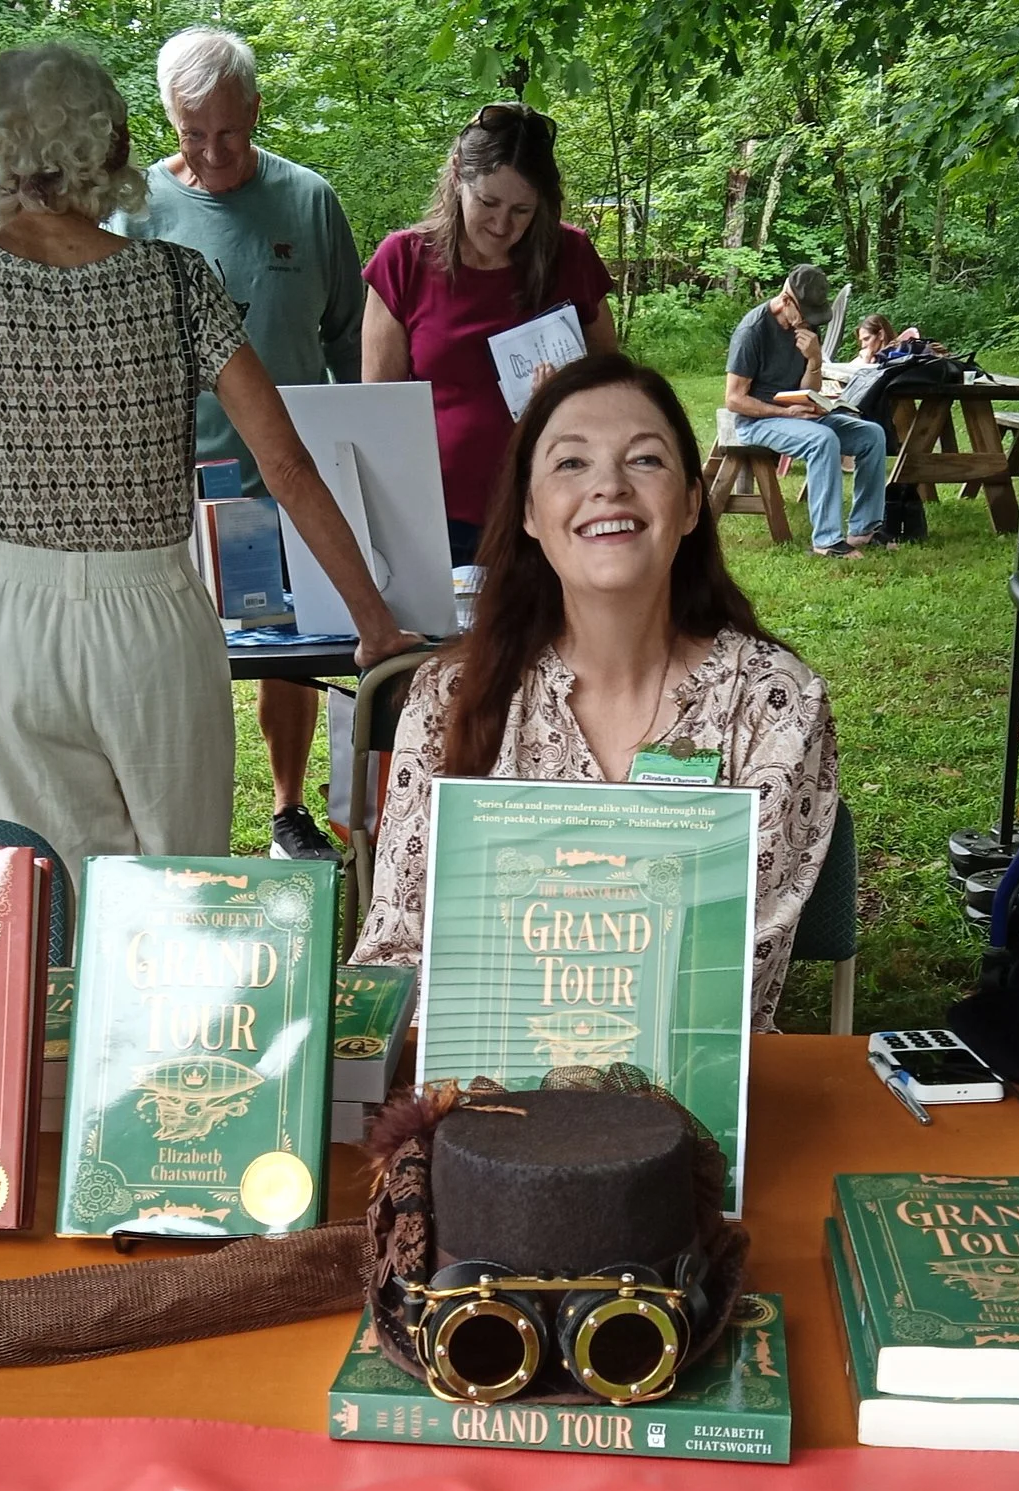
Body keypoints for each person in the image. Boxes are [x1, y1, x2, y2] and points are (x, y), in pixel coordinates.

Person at [0, 43, 410, 871]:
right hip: (151, 614)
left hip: (9, 619)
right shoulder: (180, 281)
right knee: (180, 887)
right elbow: (287, 464)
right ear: (115, 150)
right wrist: (373, 621)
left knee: (59, 892)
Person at [352, 353, 839, 1029]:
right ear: (528, 510)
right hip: (474, 1109)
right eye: (571, 463)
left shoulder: (773, 702)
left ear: (693, 503)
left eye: (645, 460)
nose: (609, 485)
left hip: (687, 1108)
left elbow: (732, 973)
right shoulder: (449, 697)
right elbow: (395, 952)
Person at [111, 27, 367, 865]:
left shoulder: (309, 200)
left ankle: (289, 809)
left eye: (229, 130)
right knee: (176, 661)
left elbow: (350, 340)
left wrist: (359, 454)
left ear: (256, 110)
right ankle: (178, 828)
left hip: (288, 478)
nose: (214, 151)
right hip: (172, 482)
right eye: (192, 134)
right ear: (168, 121)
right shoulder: (133, 209)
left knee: (289, 655)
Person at [361, 104, 620, 568]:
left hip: (553, 505)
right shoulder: (403, 261)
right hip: (436, 515)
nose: (503, 226)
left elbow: (614, 383)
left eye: (522, 210)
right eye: (488, 204)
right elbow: (379, 409)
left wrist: (564, 394)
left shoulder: (571, 254)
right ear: (458, 174)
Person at [723, 265, 888, 558]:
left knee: (871, 435)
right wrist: (787, 414)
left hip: (798, 413)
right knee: (822, 440)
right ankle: (826, 541)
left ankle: (864, 529)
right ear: (786, 300)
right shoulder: (753, 331)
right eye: (804, 315)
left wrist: (814, 361)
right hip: (758, 420)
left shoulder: (806, 327)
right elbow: (735, 399)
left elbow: (809, 387)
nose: (809, 323)